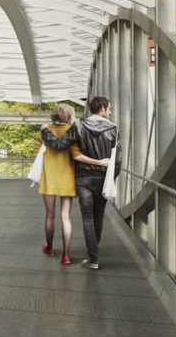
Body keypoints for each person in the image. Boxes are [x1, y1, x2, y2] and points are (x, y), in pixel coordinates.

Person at [43, 96, 120, 270]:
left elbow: (59, 145)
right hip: (102, 178)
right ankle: (92, 255)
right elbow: (118, 158)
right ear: (102, 109)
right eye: (109, 108)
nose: (110, 111)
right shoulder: (113, 129)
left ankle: (93, 259)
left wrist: (45, 132)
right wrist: (111, 178)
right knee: (98, 217)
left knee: (88, 219)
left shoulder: (78, 125)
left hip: (83, 179)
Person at [36, 105, 80, 264]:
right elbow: (76, 155)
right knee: (65, 216)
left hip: (49, 179)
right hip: (67, 178)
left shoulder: (44, 131)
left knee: (50, 215)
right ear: (68, 117)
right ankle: (66, 255)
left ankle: (49, 248)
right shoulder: (72, 131)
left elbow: (37, 155)